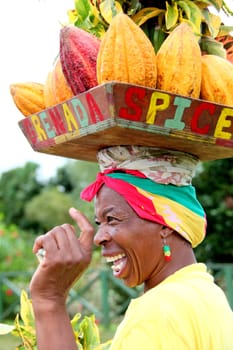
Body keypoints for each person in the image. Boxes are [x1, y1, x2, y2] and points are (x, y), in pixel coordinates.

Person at [29, 146, 233, 349]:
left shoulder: (157, 312)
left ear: (165, 224)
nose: (98, 237)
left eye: (112, 219)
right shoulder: (208, 294)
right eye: (100, 223)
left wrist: (49, 300)